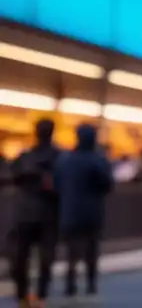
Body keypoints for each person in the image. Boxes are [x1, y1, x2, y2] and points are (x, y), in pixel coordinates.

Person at [54, 124, 114, 301]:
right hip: (92, 212)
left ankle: (70, 284)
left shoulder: (64, 160)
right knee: (91, 250)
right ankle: (90, 284)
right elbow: (107, 184)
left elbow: (57, 184)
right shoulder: (98, 160)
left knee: (72, 250)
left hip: (69, 211)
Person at [9, 118, 61, 308]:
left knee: (20, 257)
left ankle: (24, 296)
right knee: (44, 258)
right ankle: (39, 296)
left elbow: (10, 177)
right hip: (48, 214)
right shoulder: (60, 157)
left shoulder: (25, 157)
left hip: (25, 213)